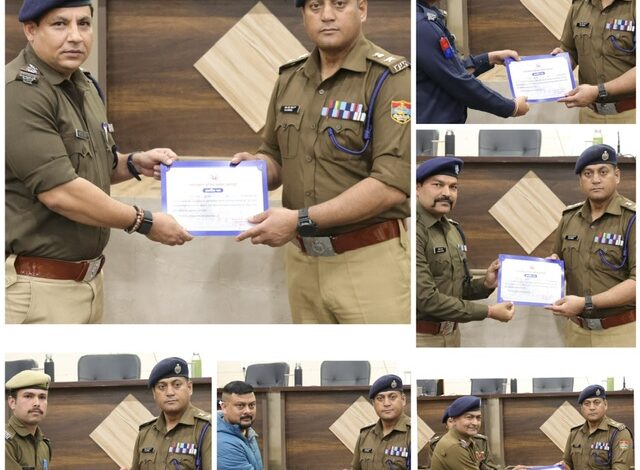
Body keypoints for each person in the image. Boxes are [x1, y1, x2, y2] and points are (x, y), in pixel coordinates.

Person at [5, 0, 193, 325]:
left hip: (88, 283)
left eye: (84, 23)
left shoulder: (84, 85)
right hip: (36, 290)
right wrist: (144, 222)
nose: (76, 36)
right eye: (60, 24)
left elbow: (94, 165)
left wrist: (133, 163)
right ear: (31, 30)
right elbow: (60, 192)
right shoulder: (19, 93)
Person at [232, 0, 411, 324]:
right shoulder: (290, 78)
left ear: (362, 9)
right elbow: (274, 155)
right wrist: (252, 171)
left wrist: (299, 220)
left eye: (339, 4)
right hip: (302, 261)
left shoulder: (390, 78)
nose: (327, 15)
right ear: (303, 14)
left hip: (369, 262)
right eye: (315, 5)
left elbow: (391, 184)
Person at [416, 157, 515, 347]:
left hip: (453, 336)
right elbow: (427, 299)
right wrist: (489, 312)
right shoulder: (414, 230)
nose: (447, 193)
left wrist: (486, 283)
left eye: (453, 187)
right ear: (417, 188)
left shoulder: (454, 230)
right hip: (420, 338)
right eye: (438, 185)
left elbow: (460, 288)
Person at [546, 144, 635, 347]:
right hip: (576, 331)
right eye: (588, 174)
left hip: (621, 332)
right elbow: (557, 261)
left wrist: (585, 303)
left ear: (617, 176)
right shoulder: (569, 218)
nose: (595, 179)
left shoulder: (632, 219)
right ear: (580, 180)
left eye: (603, 172)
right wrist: (549, 268)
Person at [416, 0, 529, 123]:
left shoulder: (427, 17)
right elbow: (456, 81)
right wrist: (511, 108)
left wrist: (489, 59)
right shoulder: (422, 25)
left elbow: (450, 69)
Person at [552, 0, 636, 124]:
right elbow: (570, 51)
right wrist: (560, 63)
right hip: (590, 114)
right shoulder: (579, 6)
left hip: (631, 113)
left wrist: (598, 91)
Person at [127, 357, 211, 470]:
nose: (170, 392)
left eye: (177, 385)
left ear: (189, 388)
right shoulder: (145, 432)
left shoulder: (207, 428)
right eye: (162, 387)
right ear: (154, 393)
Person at [559, 384, 634, 469]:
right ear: (581, 408)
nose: (592, 408)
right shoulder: (574, 434)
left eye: (596, 402)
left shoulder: (619, 433)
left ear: (605, 405)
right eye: (587, 404)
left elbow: (620, 467)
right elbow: (567, 464)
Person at [350, 374, 411, 470]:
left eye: (392, 397)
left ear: (403, 400)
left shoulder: (414, 433)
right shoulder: (365, 435)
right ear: (373, 404)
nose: (386, 403)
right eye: (380, 398)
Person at [5, 370, 52, 470]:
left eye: (42, 397)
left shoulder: (43, 445)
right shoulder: (6, 444)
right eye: (28, 396)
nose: (37, 403)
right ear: (12, 402)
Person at [217, 381, 263, 470]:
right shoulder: (224, 445)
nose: (248, 411)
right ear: (224, 407)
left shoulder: (246, 431)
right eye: (240, 405)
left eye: (251, 405)